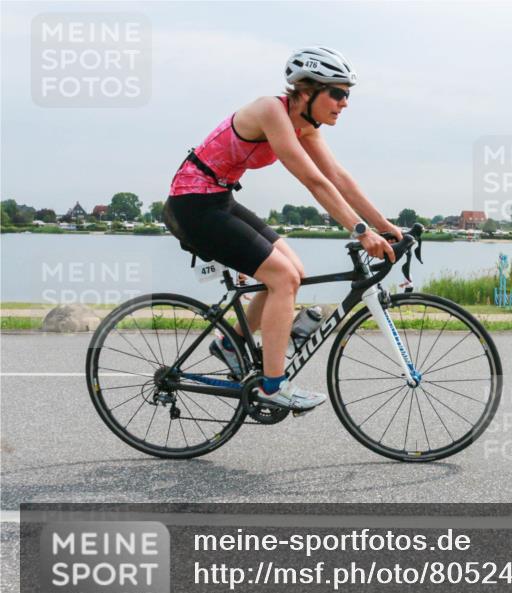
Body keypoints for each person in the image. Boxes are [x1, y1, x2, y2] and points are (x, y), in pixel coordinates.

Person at [164, 47, 401, 411]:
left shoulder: (304, 124)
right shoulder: (270, 111)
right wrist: (360, 232)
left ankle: (230, 344)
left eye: (347, 94)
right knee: (282, 278)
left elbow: (337, 177)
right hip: (192, 204)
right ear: (307, 91)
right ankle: (273, 387)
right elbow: (313, 181)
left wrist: (384, 226)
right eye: (337, 93)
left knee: (294, 272)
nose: (344, 103)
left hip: (219, 199)